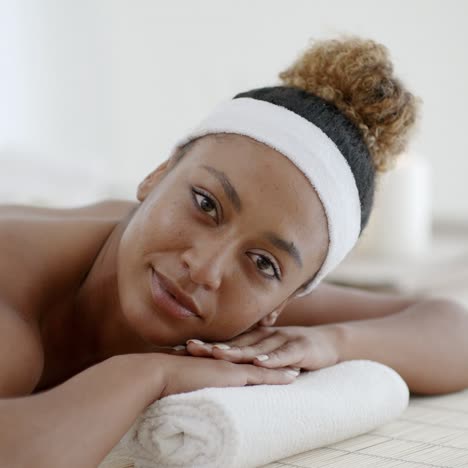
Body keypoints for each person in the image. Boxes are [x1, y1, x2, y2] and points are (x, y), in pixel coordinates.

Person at [1, 36, 467, 468]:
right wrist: (145, 376)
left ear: (283, 303)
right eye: (206, 204)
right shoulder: (14, 307)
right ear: (156, 175)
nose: (204, 268)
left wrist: (330, 342)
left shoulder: (255, 312)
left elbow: (454, 328)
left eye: (264, 263)